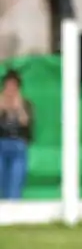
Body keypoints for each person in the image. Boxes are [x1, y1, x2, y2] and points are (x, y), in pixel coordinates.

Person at [0, 69, 34, 199]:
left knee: (16, 178)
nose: (10, 89)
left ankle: (14, 203)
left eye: (13, 86)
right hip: (1, 143)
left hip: (18, 143)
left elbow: (26, 123)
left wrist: (18, 107)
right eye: (8, 85)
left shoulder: (25, 104)